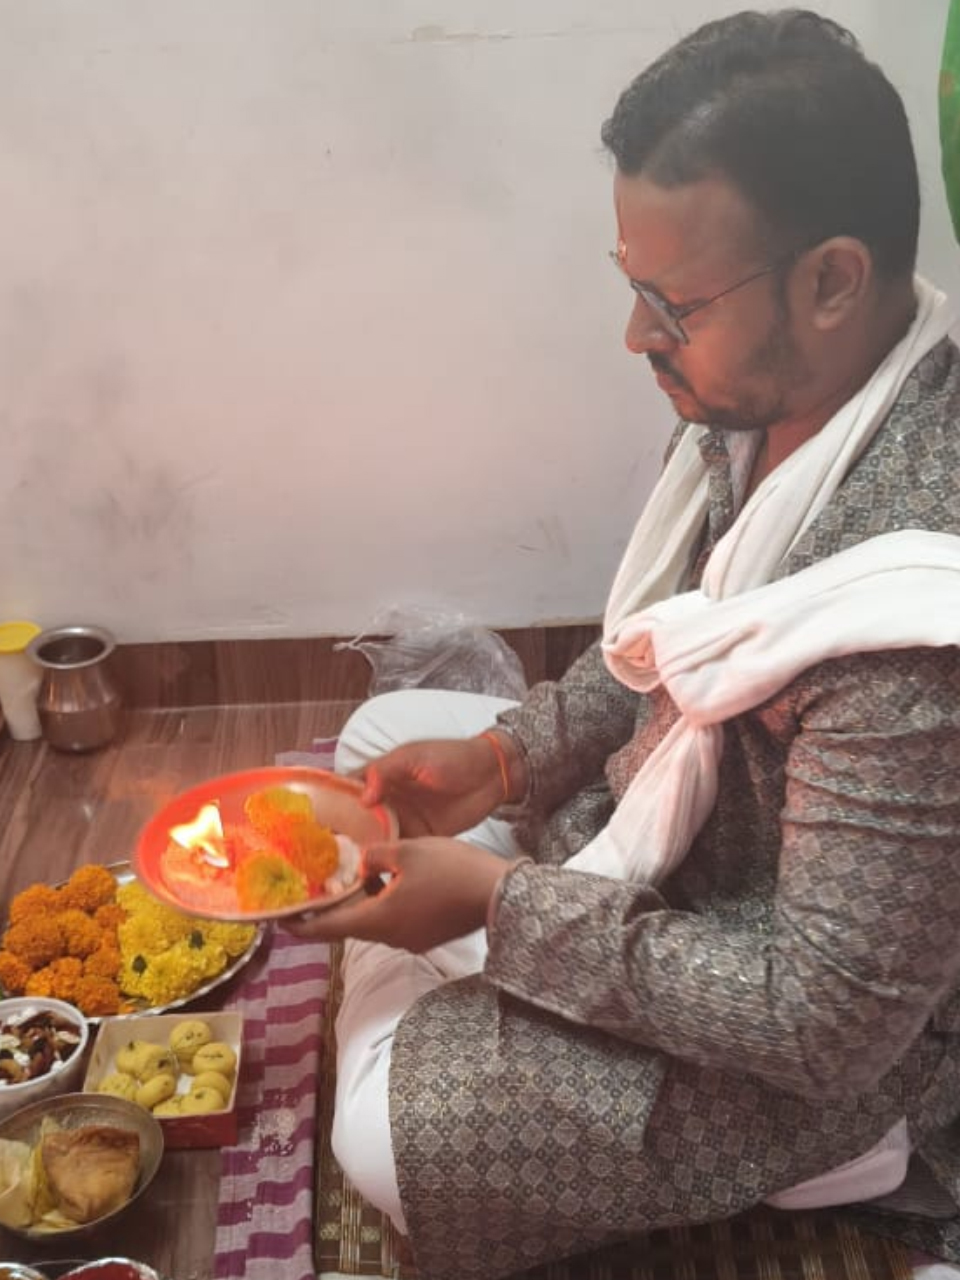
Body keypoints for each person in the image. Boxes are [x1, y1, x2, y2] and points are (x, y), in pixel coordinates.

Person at [288, 10, 960, 1279]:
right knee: (385, 738)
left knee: (379, 1133)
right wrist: (502, 760)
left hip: (811, 1049)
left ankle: (848, 1163)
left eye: (671, 302)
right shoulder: (762, 401)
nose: (637, 336)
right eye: (633, 286)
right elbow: (667, 653)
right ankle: (457, 960)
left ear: (832, 279)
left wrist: (495, 904)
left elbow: (820, 1019)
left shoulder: (924, 617)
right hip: (672, 861)